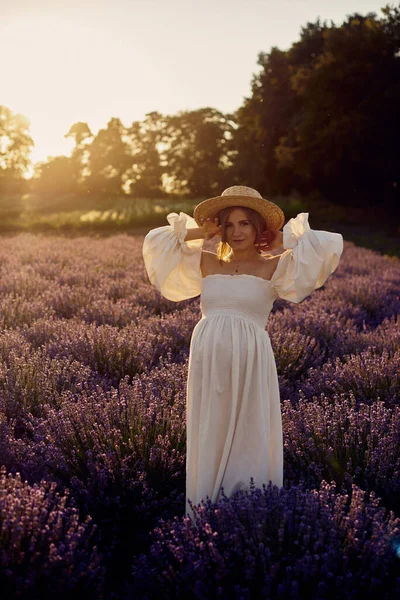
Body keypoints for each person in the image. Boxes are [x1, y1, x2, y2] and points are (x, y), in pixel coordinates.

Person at [142, 185, 343, 522]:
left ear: (258, 228)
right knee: (211, 430)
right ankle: (206, 516)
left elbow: (327, 246)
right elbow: (156, 244)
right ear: (220, 227)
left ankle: (248, 517)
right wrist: (200, 231)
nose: (237, 232)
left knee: (247, 432)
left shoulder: (274, 266)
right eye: (229, 224)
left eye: (245, 224)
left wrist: (282, 241)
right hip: (208, 362)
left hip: (251, 362)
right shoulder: (206, 261)